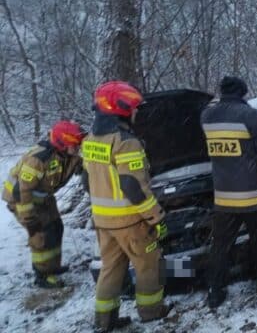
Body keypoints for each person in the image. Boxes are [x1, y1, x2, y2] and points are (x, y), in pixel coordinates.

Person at [82, 81, 171, 331]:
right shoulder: (126, 142)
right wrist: (156, 217)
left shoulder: (91, 140)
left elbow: (87, 181)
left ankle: (104, 319)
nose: (136, 113)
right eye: (133, 108)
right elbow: (134, 187)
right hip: (131, 221)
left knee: (110, 268)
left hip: (103, 221)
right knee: (148, 264)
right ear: (120, 109)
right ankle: (152, 311)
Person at [201, 76, 257, 308]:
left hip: (223, 197)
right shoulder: (251, 117)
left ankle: (214, 289)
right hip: (255, 196)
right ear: (243, 92)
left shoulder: (207, 117)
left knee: (220, 245)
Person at [2, 120, 84, 288]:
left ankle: (52, 267)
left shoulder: (69, 155)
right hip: (22, 201)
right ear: (62, 143)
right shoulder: (38, 159)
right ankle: (42, 276)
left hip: (44, 198)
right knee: (40, 235)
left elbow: (82, 165)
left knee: (55, 228)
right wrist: (29, 220)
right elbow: (22, 192)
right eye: (74, 144)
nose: (77, 148)